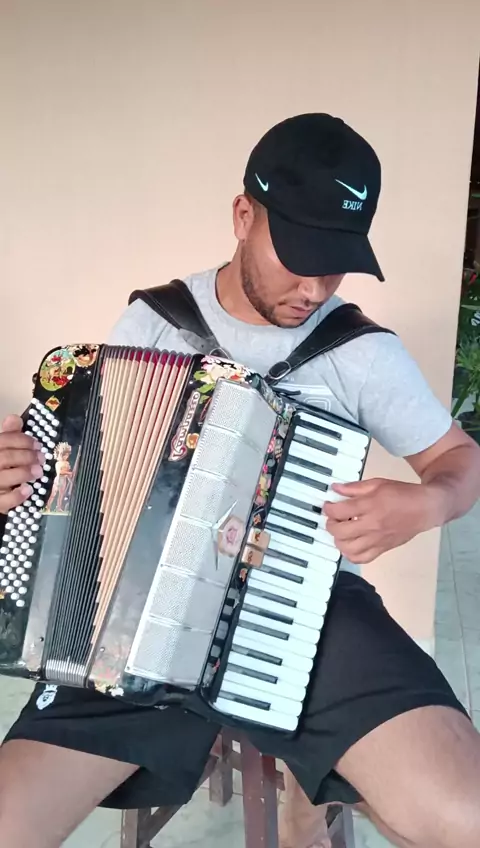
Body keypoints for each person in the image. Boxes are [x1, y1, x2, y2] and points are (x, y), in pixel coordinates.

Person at [0, 112, 479, 848]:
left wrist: (429, 502)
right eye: (301, 255)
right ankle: (308, 780)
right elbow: (83, 480)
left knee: (461, 813)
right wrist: (23, 476)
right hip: (130, 619)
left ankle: (310, 794)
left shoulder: (360, 353)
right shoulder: (154, 322)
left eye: (336, 262)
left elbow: (459, 461)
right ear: (243, 217)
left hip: (306, 607)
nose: (315, 286)